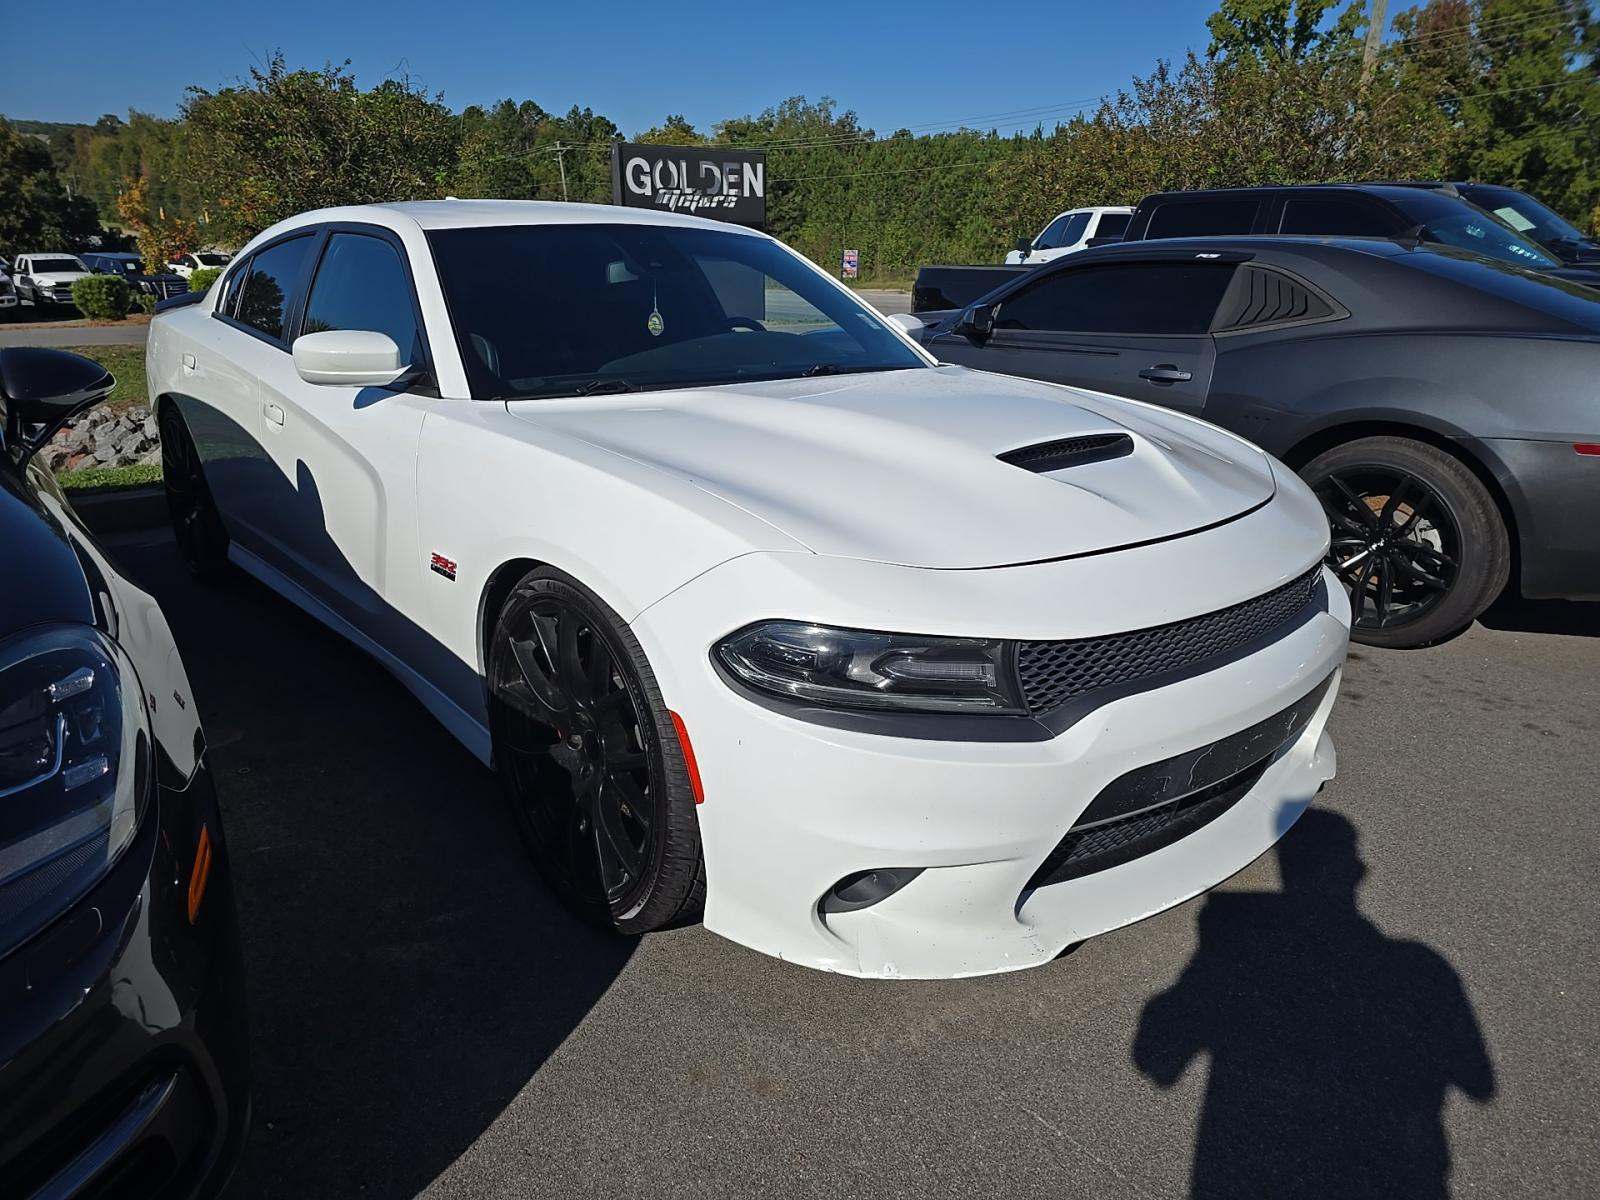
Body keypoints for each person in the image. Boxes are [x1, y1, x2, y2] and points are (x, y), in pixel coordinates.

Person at [1134, 808, 1494, 1199]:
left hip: (1251, 1173)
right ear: (1357, 872)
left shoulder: (1232, 945)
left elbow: (1157, 1059)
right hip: (1396, 1172)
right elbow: (1477, 1081)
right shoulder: (1422, 968)